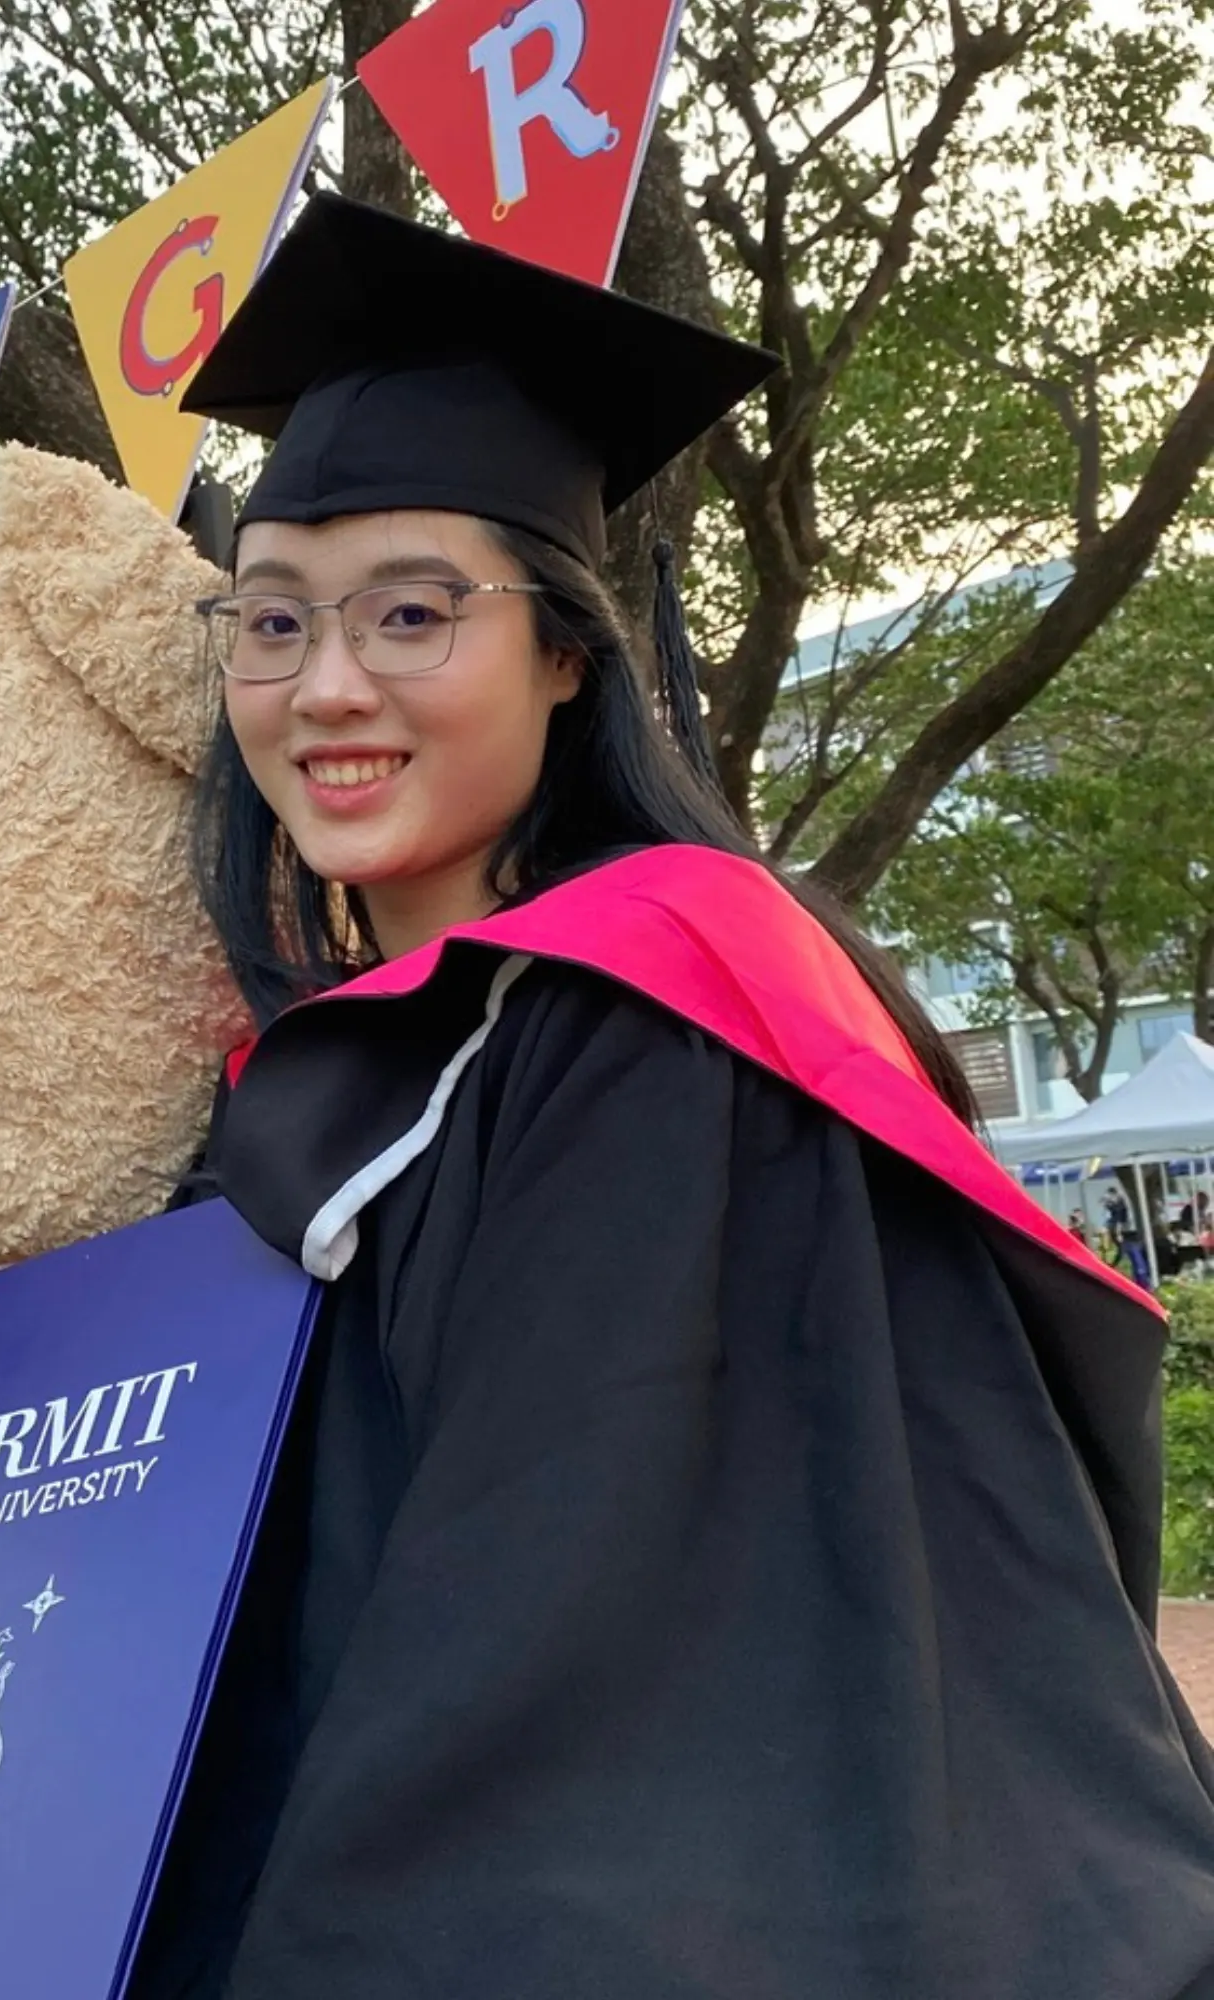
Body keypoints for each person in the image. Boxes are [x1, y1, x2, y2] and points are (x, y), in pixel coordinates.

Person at [132, 195, 1214, 1998]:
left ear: (568, 652)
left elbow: (589, 1659)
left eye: (412, 614)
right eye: (271, 619)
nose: (324, 687)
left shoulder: (664, 1012)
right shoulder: (313, 1055)